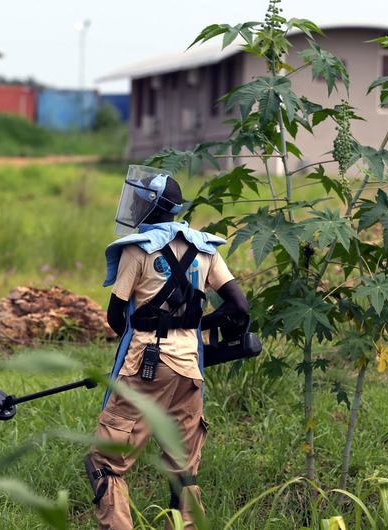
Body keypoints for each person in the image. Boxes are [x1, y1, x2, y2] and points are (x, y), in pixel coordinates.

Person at [86, 166, 249, 529]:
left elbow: (117, 317)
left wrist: (151, 334)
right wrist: (195, 327)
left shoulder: (137, 251)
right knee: (183, 471)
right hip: (190, 368)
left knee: (105, 464)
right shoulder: (206, 248)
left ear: (152, 207)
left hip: (144, 366)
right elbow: (239, 307)